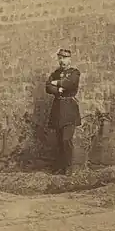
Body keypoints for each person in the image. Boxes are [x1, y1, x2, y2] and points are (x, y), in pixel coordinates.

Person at [46, 48, 82, 176]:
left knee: (66, 139)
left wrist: (56, 83)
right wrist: (58, 90)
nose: (62, 61)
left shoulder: (74, 72)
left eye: (65, 58)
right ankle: (60, 167)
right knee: (59, 140)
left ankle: (68, 168)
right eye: (60, 58)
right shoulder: (56, 73)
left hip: (69, 108)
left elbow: (70, 83)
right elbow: (48, 87)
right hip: (58, 109)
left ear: (69, 59)